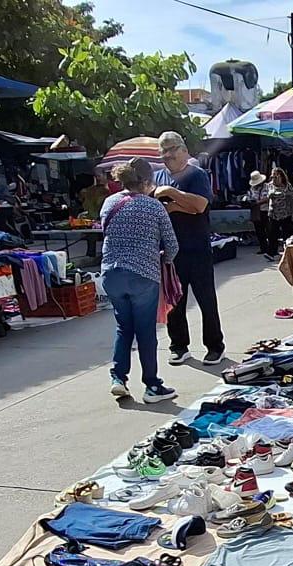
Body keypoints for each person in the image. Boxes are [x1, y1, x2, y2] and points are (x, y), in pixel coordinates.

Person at [101, 156, 179, 404]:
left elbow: (107, 234)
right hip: (143, 275)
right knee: (145, 332)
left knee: (124, 327)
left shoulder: (109, 202)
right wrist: (164, 259)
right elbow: (172, 246)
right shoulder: (154, 206)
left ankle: (118, 379)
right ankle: (152, 386)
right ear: (146, 181)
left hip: (111, 274)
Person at [153, 130, 224, 365]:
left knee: (206, 300)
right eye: (163, 150)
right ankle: (179, 345)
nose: (167, 155)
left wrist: (171, 195)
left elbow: (200, 205)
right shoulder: (158, 176)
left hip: (197, 248)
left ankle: (215, 346)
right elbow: (157, 208)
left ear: (184, 150)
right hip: (170, 251)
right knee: (174, 301)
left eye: (172, 149)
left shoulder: (196, 175)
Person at [267, 167, 293, 253]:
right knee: (272, 235)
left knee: (287, 235)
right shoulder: (269, 186)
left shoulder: (287, 186)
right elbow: (267, 196)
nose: (274, 179)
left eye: (276, 177)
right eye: (272, 177)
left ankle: (288, 252)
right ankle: (272, 253)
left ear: (281, 177)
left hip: (286, 214)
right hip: (273, 214)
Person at [245, 170, 272, 259]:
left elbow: (269, 197)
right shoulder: (251, 189)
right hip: (256, 211)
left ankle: (270, 248)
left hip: (265, 210)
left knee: (268, 230)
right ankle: (263, 248)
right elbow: (249, 197)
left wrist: (258, 202)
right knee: (259, 231)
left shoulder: (267, 187)